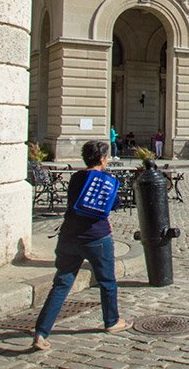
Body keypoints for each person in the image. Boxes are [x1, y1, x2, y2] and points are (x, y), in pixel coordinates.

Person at [32, 140, 128, 350]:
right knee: (107, 281)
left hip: (68, 236)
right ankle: (112, 321)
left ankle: (41, 332)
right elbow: (116, 203)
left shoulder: (76, 178)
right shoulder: (106, 180)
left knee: (61, 284)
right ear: (103, 159)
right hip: (96, 237)